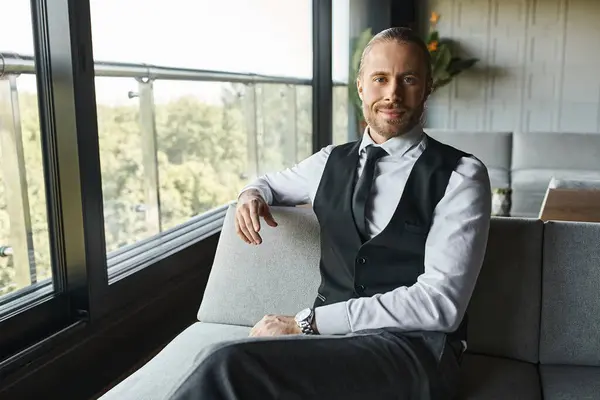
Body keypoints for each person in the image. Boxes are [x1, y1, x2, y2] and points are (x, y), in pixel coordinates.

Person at [170, 27, 491, 400]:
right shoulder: (328, 162)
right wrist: (251, 193)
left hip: (413, 352)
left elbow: (440, 306)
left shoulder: (461, 175)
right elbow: (270, 183)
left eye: (408, 79)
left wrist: (306, 322)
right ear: (360, 87)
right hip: (330, 346)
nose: (392, 93)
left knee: (227, 365)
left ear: (428, 88)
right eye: (380, 79)